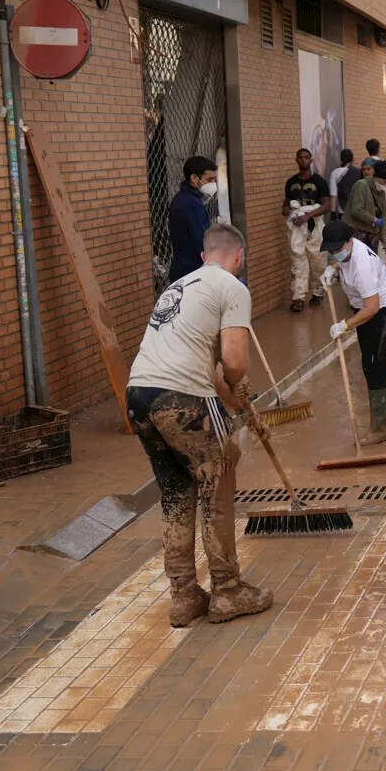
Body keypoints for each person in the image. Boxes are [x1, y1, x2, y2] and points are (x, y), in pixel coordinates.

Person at [126, 223, 272, 628]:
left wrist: (243, 407)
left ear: (205, 255)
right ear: (237, 257)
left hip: (140, 396)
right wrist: (242, 383)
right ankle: (227, 591)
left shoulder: (180, 286)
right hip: (182, 399)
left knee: (176, 494)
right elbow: (234, 363)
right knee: (218, 482)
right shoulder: (232, 287)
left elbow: (212, 377)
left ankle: (185, 596)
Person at [321, 221, 386, 444]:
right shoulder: (346, 250)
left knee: (371, 365)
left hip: (382, 309)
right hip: (367, 307)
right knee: (375, 361)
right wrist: (332, 268)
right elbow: (339, 258)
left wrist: (344, 325)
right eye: (330, 250)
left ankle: (378, 428)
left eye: (337, 249)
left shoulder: (362, 267)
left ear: (349, 242)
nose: (334, 253)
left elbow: (371, 308)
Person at [281, 148, 330, 313]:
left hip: (315, 225)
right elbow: (286, 203)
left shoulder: (319, 182)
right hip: (296, 227)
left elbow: (327, 205)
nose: (303, 160)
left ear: (311, 160)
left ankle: (317, 292)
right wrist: (287, 210)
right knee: (297, 261)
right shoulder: (291, 182)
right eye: (300, 157)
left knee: (317, 260)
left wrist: (307, 216)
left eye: (306, 157)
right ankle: (298, 297)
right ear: (296, 160)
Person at [167, 156, 218, 284]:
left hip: (184, 270)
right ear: (194, 178)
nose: (213, 184)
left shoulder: (181, 198)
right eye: (209, 179)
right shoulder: (192, 204)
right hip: (193, 273)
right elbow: (202, 242)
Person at [346, 160, 386, 254]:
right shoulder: (361, 185)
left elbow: (384, 214)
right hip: (358, 232)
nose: (384, 186)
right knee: (358, 261)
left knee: (372, 262)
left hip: (372, 234)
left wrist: (384, 236)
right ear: (376, 178)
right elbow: (356, 210)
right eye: (383, 182)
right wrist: (374, 219)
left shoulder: (381, 190)